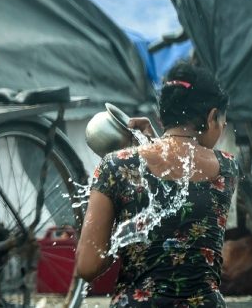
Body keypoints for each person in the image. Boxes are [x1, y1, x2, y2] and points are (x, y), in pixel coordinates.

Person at [75, 61, 240, 306]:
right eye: (221, 121)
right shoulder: (227, 168)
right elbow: (179, 181)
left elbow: (88, 266)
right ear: (212, 116)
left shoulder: (118, 166)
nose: (222, 127)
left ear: (163, 117)